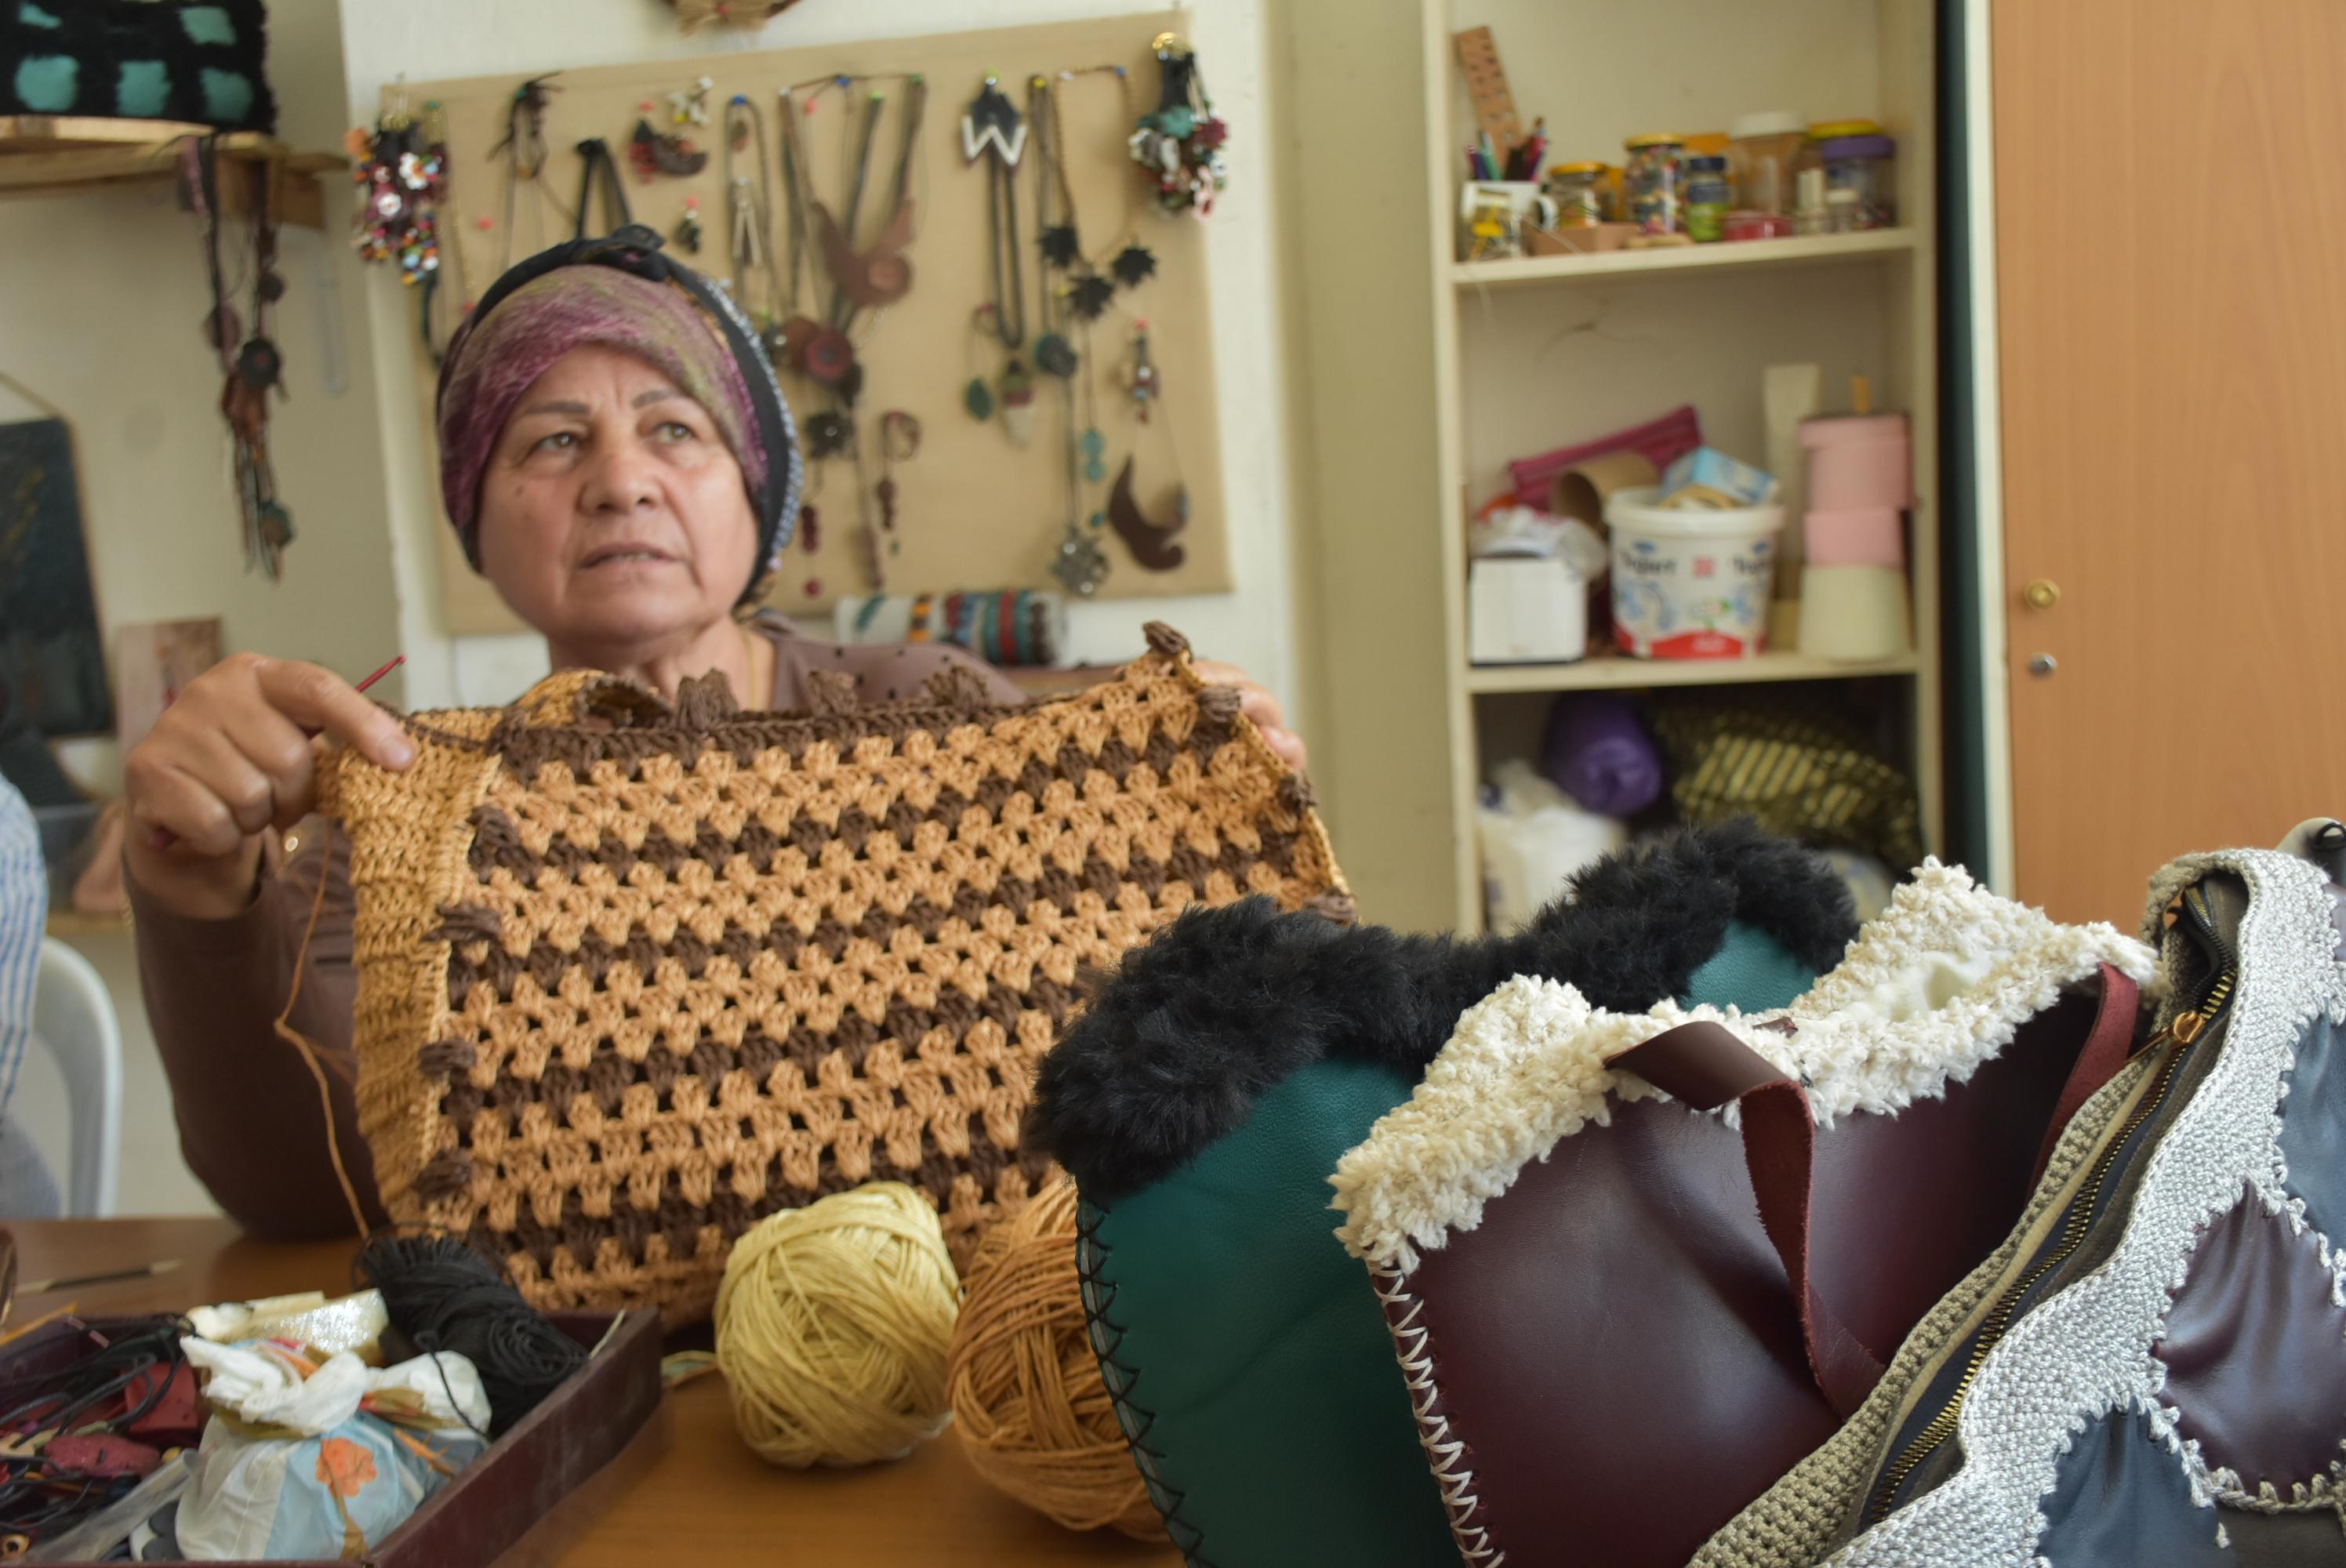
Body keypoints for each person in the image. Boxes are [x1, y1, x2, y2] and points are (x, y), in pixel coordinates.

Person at [125, 230, 1302, 1238]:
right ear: (477, 520)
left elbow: (1138, 1053)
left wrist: (1200, 803)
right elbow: (306, 1192)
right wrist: (198, 893)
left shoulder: (932, 709)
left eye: (676, 430)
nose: (620, 481)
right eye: (552, 440)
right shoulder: (410, 813)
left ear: (756, 495)